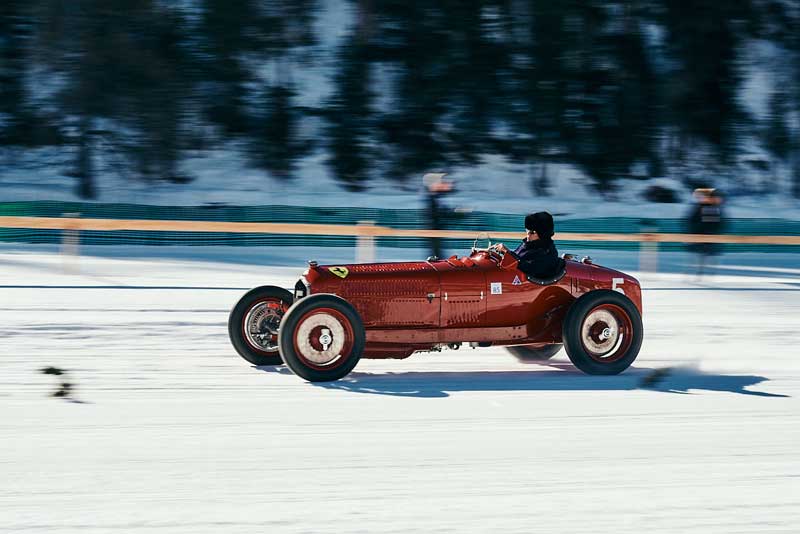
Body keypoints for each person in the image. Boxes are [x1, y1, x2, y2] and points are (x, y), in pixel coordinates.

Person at [496, 211, 561, 279]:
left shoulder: (547, 253)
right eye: (527, 231)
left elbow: (530, 268)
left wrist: (507, 253)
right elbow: (518, 259)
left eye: (532, 232)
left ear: (543, 234)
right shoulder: (529, 245)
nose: (528, 235)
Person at [686, 188, 725, 279]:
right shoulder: (704, 207)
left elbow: (716, 223)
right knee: (700, 257)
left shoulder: (712, 207)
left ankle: (704, 275)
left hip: (708, 238)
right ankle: (699, 275)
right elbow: (693, 221)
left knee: (706, 258)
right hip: (701, 238)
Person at [423, 173, 455, 260]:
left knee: (438, 257)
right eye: (441, 182)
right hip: (434, 233)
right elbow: (434, 215)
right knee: (436, 258)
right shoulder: (431, 199)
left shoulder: (437, 197)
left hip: (437, 234)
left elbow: (443, 214)